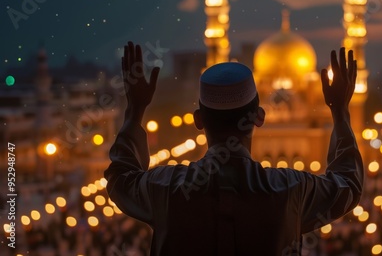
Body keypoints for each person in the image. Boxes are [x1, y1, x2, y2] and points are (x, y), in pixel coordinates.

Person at [105, 41, 364, 256]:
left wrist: (135, 109)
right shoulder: (289, 190)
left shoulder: (167, 189)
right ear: (260, 117)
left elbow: (120, 179)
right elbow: (348, 184)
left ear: (198, 120)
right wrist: (340, 111)